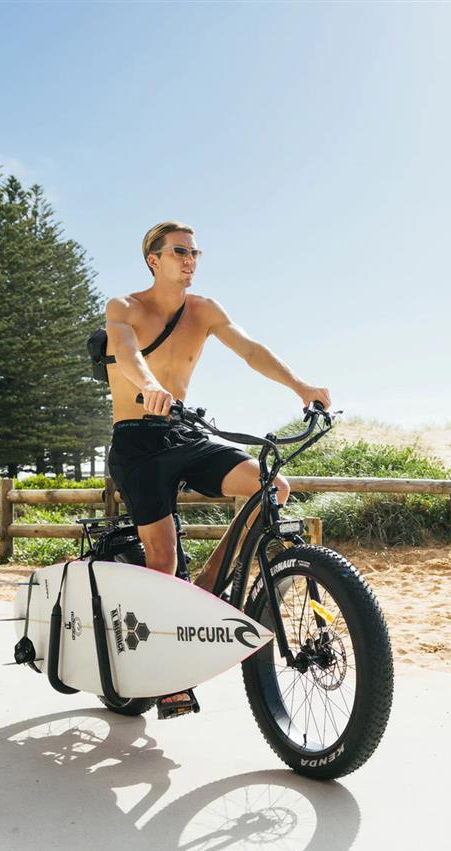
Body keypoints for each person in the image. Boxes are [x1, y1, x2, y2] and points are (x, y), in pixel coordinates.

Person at [104, 221, 331, 718]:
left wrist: (300, 386)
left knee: (272, 487)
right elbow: (126, 351)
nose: (190, 260)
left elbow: (250, 350)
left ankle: (209, 580)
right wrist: (149, 387)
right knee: (163, 559)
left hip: (183, 433)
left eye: (195, 252)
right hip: (137, 441)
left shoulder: (204, 310)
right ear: (153, 259)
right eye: (179, 251)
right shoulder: (124, 307)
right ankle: (165, 674)